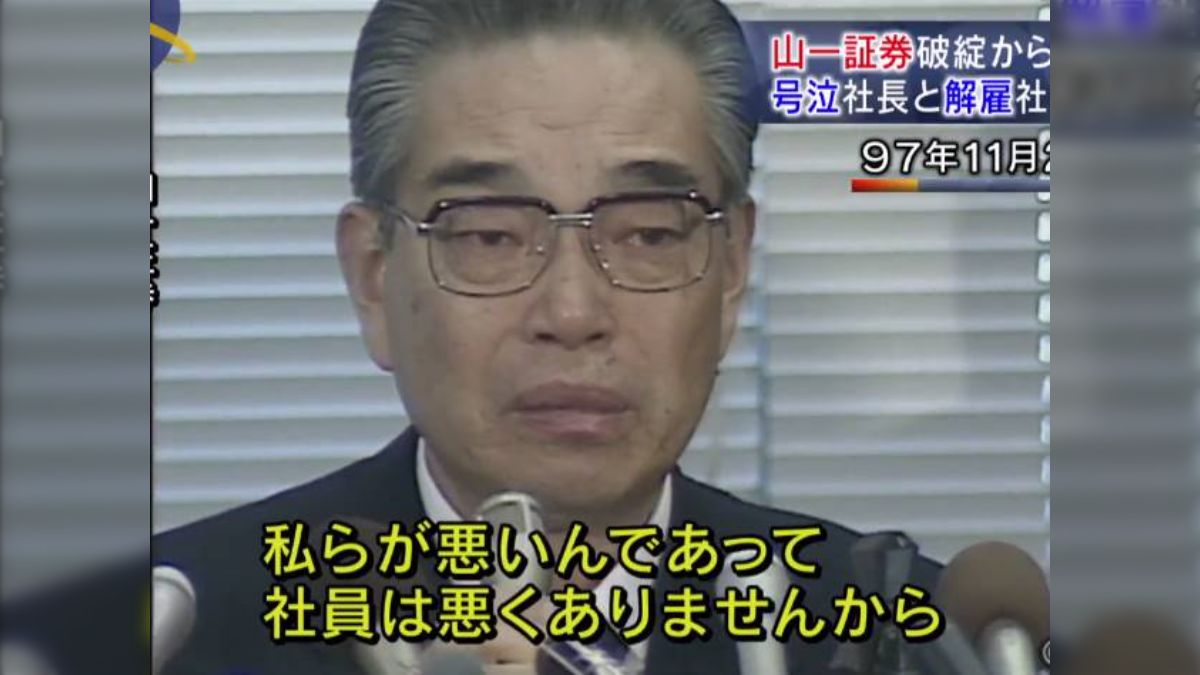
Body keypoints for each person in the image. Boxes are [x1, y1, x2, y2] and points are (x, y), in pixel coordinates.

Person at [8, 1, 942, 674]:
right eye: (489, 235)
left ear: (730, 270)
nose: (571, 314)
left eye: (650, 233)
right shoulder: (169, 634)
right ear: (374, 276)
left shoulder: (904, 640)